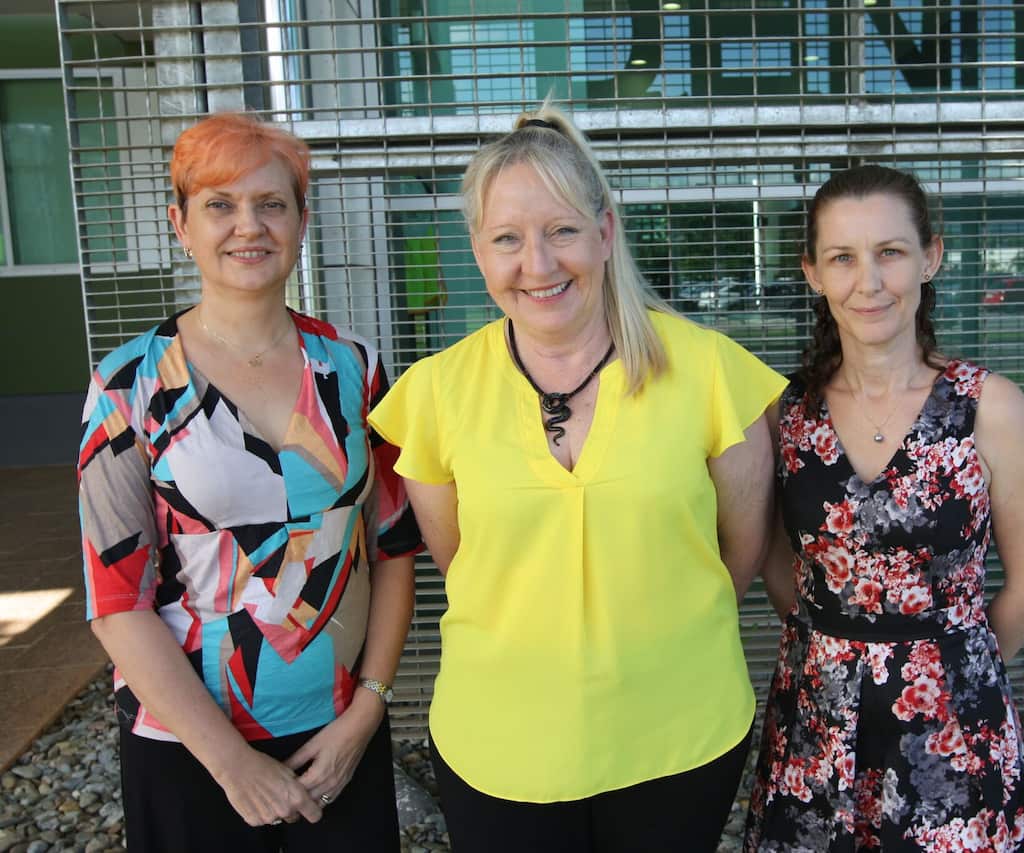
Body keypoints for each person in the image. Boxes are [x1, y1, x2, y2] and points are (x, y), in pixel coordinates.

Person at [368, 105, 785, 852]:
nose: (538, 263)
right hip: (499, 744)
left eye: (561, 229)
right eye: (507, 239)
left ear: (606, 232)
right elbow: (467, 562)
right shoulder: (435, 394)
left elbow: (740, 551)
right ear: (479, 250)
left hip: (678, 734)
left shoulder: (710, 372)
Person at [77, 112, 422, 852]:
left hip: (339, 738)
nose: (249, 226)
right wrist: (233, 764)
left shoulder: (353, 367)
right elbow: (115, 603)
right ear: (181, 225)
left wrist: (367, 710)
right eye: (220, 205)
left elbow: (392, 549)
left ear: (301, 219)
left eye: (271, 203)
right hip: (189, 749)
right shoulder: (127, 385)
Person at [743, 165, 1024, 852]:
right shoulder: (785, 415)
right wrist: (838, 648)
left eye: (890, 252)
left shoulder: (990, 408)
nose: (870, 281)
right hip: (815, 728)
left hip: (954, 731)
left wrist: (952, 665)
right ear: (812, 272)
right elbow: (773, 561)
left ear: (931, 257)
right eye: (843, 258)